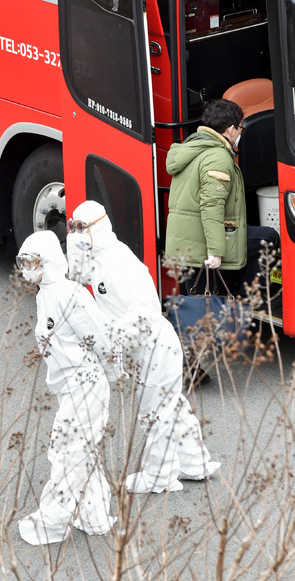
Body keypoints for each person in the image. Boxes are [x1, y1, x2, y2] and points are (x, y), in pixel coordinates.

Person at [67, 200, 220, 494]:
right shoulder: (97, 257)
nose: (76, 233)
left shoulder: (119, 263)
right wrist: (75, 247)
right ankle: (195, 462)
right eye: (73, 226)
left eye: (82, 227)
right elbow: (78, 277)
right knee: (172, 405)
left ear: (99, 227)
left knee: (154, 413)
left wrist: (113, 340)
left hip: (154, 348)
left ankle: (159, 476)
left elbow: (145, 310)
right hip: (144, 348)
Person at [16, 230, 122, 545]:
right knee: (81, 451)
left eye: (32, 262)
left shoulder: (70, 295)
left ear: (47, 261)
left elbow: (100, 336)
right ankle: (95, 516)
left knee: (65, 451)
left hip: (86, 386)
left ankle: (53, 520)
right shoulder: (44, 295)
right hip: (69, 387)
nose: (26, 270)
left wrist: (114, 371)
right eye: (22, 262)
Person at [165, 98, 279, 297]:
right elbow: (211, 206)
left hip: (186, 240)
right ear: (231, 129)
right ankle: (251, 297)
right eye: (240, 128)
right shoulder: (218, 156)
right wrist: (215, 251)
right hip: (202, 241)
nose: (240, 133)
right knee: (268, 238)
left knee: (201, 301)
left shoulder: (192, 147)